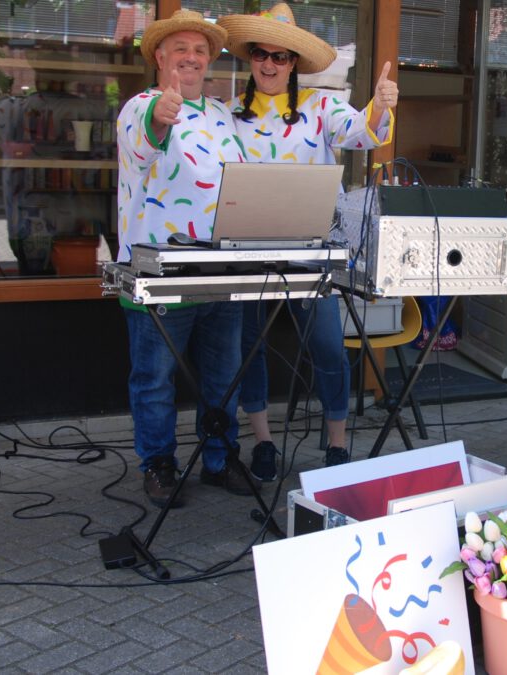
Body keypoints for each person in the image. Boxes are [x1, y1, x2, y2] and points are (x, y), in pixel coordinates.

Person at [216, 3, 398, 479]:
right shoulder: (228, 114)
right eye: (262, 54)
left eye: (281, 56)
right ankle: (263, 442)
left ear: (295, 62)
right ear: (250, 58)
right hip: (247, 251)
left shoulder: (321, 107)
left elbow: (363, 134)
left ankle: (337, 446)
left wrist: (380, 104)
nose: (271, 64)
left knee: (327, 346)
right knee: (248, 348)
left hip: (312, 250)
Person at [117, 9, 257, 507]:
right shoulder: (141, 105)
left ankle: (219, 460)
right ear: (159, 56)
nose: (191, 58)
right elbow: (143, 143)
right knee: (155, 379)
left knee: (224, 376)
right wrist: (162, 115)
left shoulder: (223, 113)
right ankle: (158, 465)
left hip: (223, 269)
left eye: (199, 50)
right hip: (158, 268)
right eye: (180, 49)